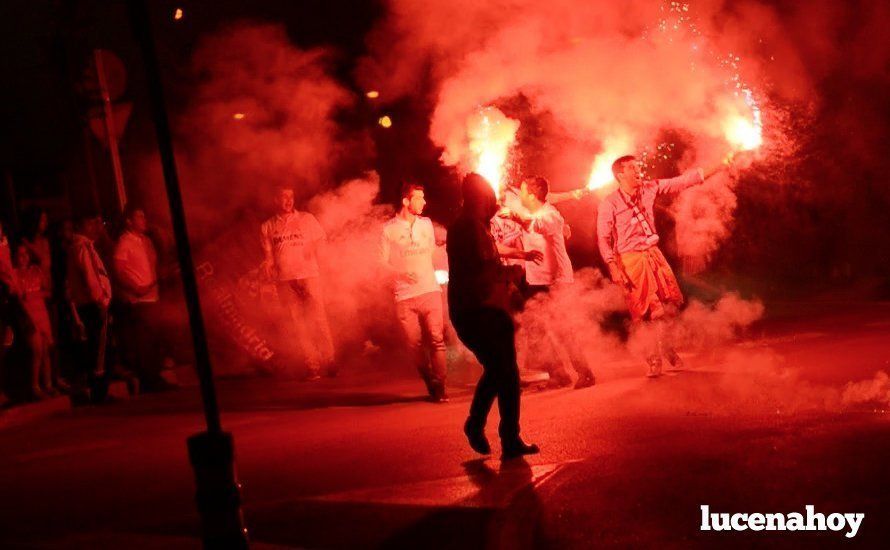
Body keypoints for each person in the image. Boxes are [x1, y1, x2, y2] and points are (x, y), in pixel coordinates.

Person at [597, 153, 735, 376]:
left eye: (637, 166)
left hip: (653, 254)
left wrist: (723, 163)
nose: (638, 169)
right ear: (620, 174)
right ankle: (652, 357)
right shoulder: (609, 203)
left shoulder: (650, 187)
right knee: (644, 313)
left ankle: (668, 347)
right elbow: (603, 238)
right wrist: (613, 266)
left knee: (667, 306)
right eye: (632, 168)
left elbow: (684, 180)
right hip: (629, 260)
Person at [447, 173, 539, 460]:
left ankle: (479, 425)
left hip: (483, 308)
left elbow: (489, 254)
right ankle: (506, 437)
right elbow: (481, 266)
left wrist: (518, 259)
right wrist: (511, 272)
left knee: (499, 369)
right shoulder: (468, 227)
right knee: (506, 372)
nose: (493, 201)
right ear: (478, 197)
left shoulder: (474, 225)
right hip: (478, 309)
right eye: (489, 196)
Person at [503, 177, 596, 389]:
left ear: (533, 195)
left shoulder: (550, 215)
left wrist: (517, 217)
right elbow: (519, 234)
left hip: (557, 282)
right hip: (537, 282)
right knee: (536, 327)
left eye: (523, 192)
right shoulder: (533, 214)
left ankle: (586, 373)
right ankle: (558, 374)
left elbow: (539, 226)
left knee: (563, 329)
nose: (520, 195)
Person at [380, 183, 449, 402]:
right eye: (419, 198)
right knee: (414, 345)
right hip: (404, 296)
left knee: (437, 339)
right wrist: (399, 273)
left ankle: (441, 387)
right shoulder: (388, 229)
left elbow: (431, 252)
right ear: (406, 201)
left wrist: (444, 247)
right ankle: (430, 380)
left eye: (424, 197)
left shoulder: (426, 224)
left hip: (430, 290)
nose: (424, 202)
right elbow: (380, 264)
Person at [261, 186, 335, 379]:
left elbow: (321, 239)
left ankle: (330, 360)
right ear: (275, 200)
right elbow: (268, 255)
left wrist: (314, 249)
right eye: (283, 197)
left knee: (318, 318)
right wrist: (269, 266)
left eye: (291, 196)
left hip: (309, 275)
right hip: (285, 280)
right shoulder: (267, 226)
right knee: (298, 324)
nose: (288, 200)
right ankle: (312, 366)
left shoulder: (306, 219)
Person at [112, 205, 173, 392]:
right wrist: (135, 288)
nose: (144, 220)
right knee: (144, 341)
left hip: (153, 296)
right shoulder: (125, 242)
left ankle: (155, 376)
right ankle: (149, 380)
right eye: (139, 217)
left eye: (144, 216)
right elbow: (119, 270)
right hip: (139, 300)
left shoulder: (146, 240)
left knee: (154, 338)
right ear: (129, 221)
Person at [67, 213, 112, 402]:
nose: (96, 226)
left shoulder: (80, 246)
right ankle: (100, 392)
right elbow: (91, 276)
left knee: (95, 348)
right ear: (83, 225)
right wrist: (101, 300)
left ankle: (97, 390)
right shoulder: (83, 247)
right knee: (98, 350)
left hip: (88, 304)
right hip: (93, 305)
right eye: (92, 222)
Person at [14, 245, 55, 398]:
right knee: (36, 350)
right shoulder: (15, 274)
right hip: (29, 316)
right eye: (20, 254)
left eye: (26, 254)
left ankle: (48, 385)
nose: (23, 257)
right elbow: (17, 296)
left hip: (42, 313)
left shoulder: (36, 271)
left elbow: (48, 291)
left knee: (45, 352)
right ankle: (35, 386)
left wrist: (38, 295)